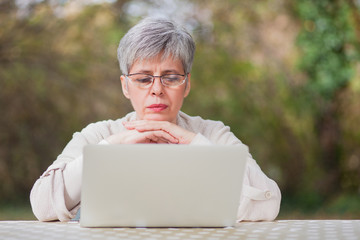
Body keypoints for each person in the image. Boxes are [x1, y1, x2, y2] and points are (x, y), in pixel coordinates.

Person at [30, 17, 281, 222]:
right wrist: (110, 148)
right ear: (125, 86)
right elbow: (42, 205)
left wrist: (196, 145)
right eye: (143, 78)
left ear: (187, 85)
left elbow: (268, 203)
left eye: (170, 77)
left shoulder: (212, 134)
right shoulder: (98, 135)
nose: (157, 89)